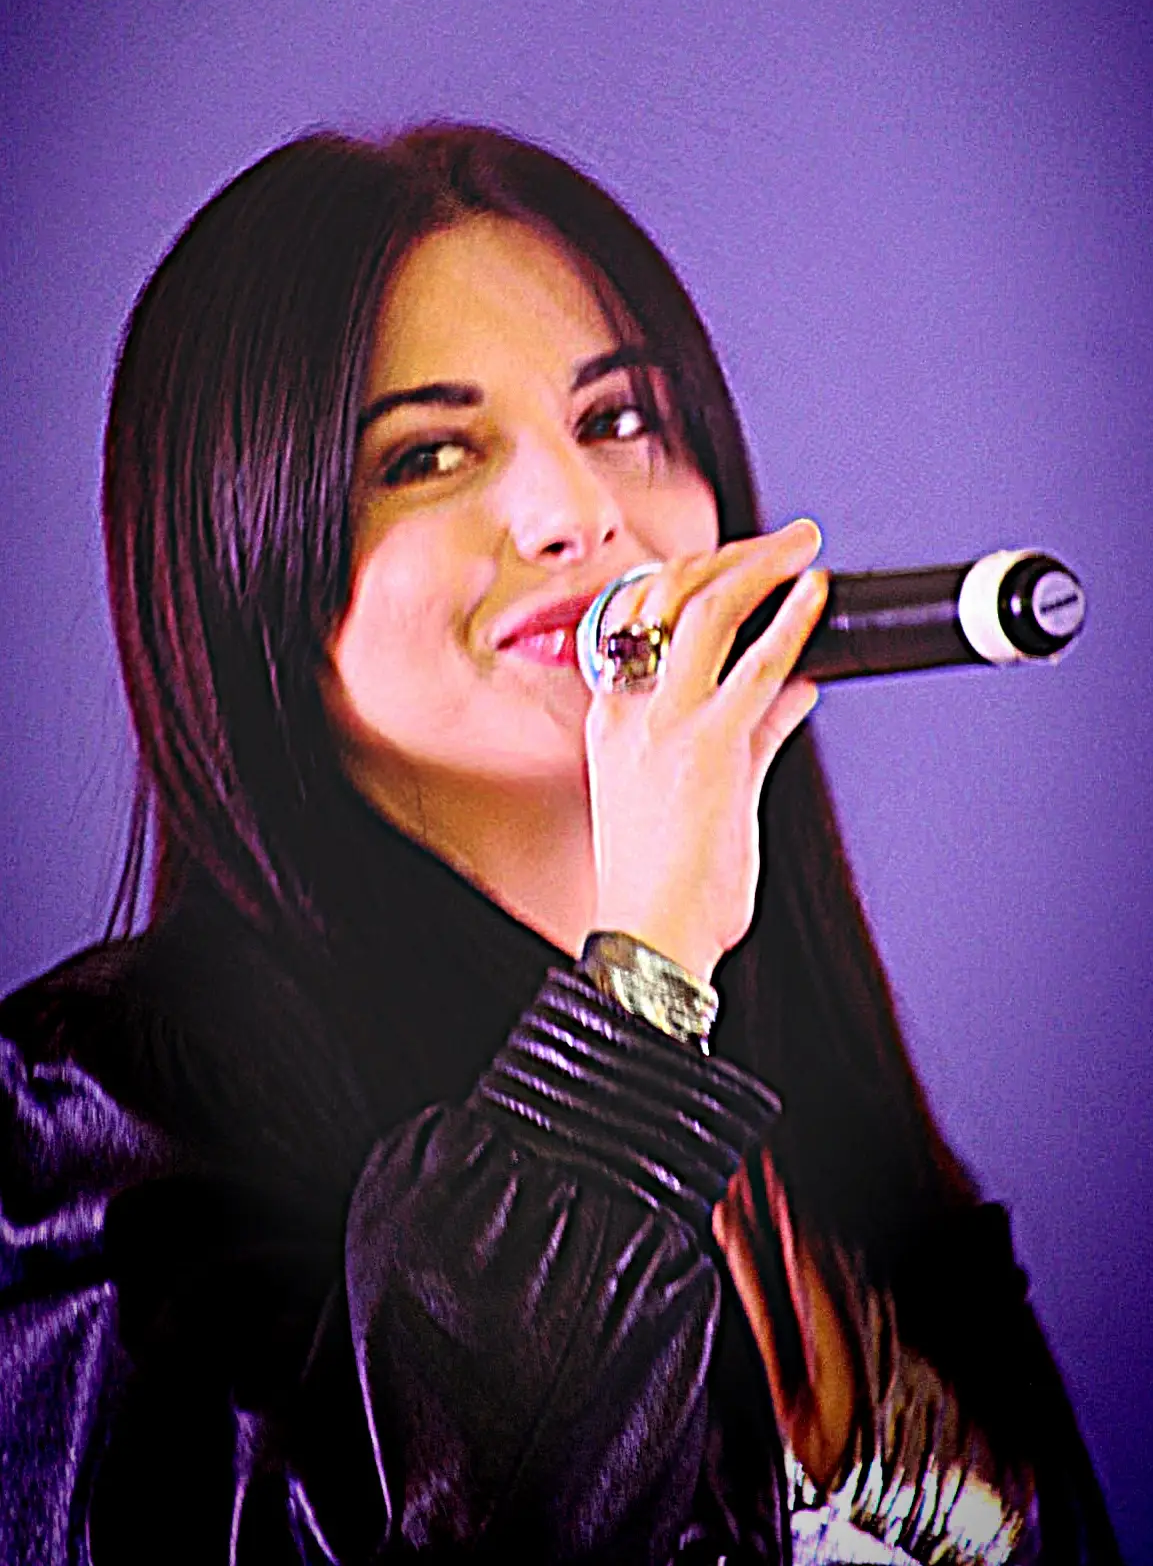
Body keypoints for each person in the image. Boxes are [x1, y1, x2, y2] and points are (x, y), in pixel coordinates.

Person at [0, 123, 1120, 1564]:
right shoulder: (101, 1106)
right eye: (427, 454)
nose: (578, 516)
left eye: (621, 422)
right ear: (247, 557)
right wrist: (641, 977)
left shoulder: (814, 1121)